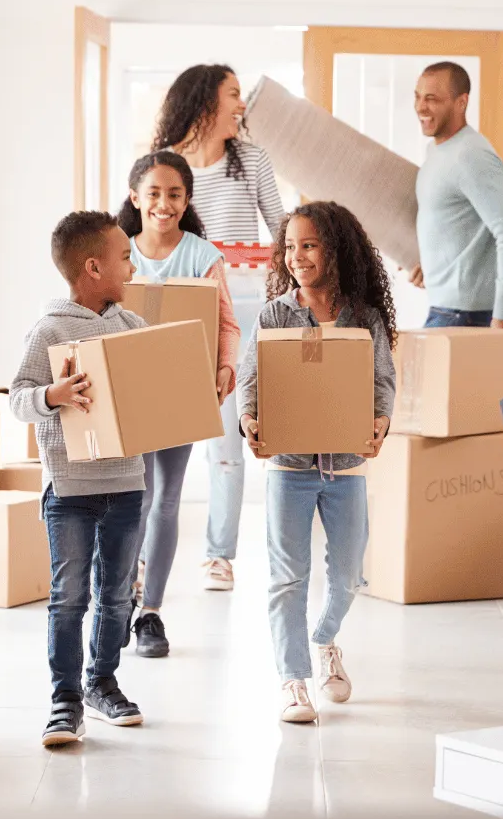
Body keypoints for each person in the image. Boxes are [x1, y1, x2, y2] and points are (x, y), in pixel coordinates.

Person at [237, 202, 395, 724]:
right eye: (289, 247)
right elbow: (251, 379)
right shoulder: (275, 315)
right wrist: (248, 420)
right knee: (288, 578)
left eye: (308, 245)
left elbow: (383, 382)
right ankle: (293, 680)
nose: (296, 257)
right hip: (289, 465)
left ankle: (324, 639)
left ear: (337, 250)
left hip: (346, 464)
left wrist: (381, 421)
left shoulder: (364, 318)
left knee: (348, 576)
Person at [10, 211, 147, 747]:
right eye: (125, 257)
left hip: (127, 482)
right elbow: (19, 398)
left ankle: (101, 683)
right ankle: (64, 698)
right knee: (70, 596)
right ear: (93, 267)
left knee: (117, 595)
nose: (132, 266)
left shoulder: (132, 327)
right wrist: (53, 395)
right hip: (70, 490)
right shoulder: (49, 330)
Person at [153, 64, 285, 592]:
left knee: (228, 440)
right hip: (179, 309)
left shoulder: (251, 160)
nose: (241, 103)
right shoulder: (165, 166)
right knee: (156, 436)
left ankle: (218, 556)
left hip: (243, 308)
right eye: (233, 94)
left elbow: (283, 232)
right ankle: (141, 556)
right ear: (205, 100)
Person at [117, 150, 240, 658]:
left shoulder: (202, 256)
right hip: (129, 392)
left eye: (175, 195)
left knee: (166, 498)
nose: (164, 204)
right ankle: (120, 600)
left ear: (187, 200)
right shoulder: (118, 250)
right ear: (135, 197)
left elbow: (226, 324)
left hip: (182, 391)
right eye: (154, 193)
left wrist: (225, 368)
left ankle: (151, 612)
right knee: (135, 500)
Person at [411, 61, 503, 389]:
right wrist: (432, 264)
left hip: (466, 316)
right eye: (417, 96)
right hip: (447, 308)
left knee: (433, 407)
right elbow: (461, 224)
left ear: (462, 102)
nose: (421, 107)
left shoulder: (471, 156)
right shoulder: (437, 152)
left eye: (432, 98)